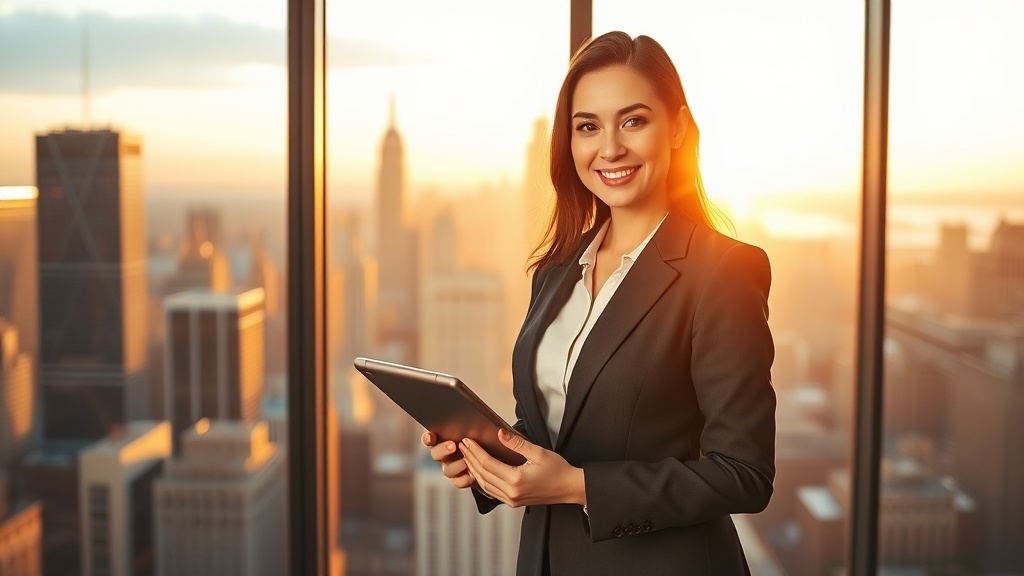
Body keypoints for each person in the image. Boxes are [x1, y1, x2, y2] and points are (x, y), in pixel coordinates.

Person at [422, 30, 775, 575]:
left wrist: (577, 485)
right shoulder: (555, 270)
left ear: (677, 128)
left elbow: (744, 473)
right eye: (588, 127)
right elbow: (550, 427)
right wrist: (487, 462)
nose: (609, 149)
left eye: (633, 121)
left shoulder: (722, 271)